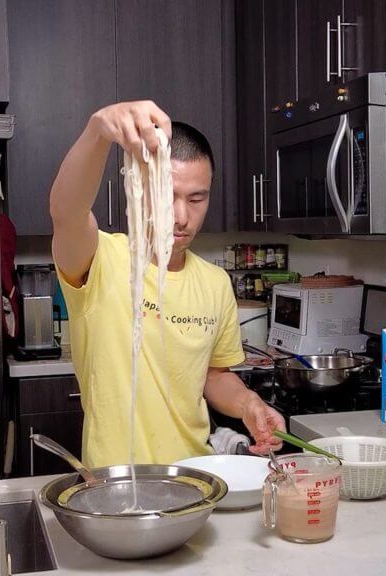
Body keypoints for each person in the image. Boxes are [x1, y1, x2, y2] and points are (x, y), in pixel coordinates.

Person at [49, 101, 286, 467]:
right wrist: (98, 130)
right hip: (119, 485)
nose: (180, 217)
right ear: (140, 188)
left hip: (196, 478)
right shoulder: (102, 259)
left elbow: (213, 376)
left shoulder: (215, 283)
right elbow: (67, 211)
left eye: (196, 199)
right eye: (166, 195)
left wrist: (249, 404)